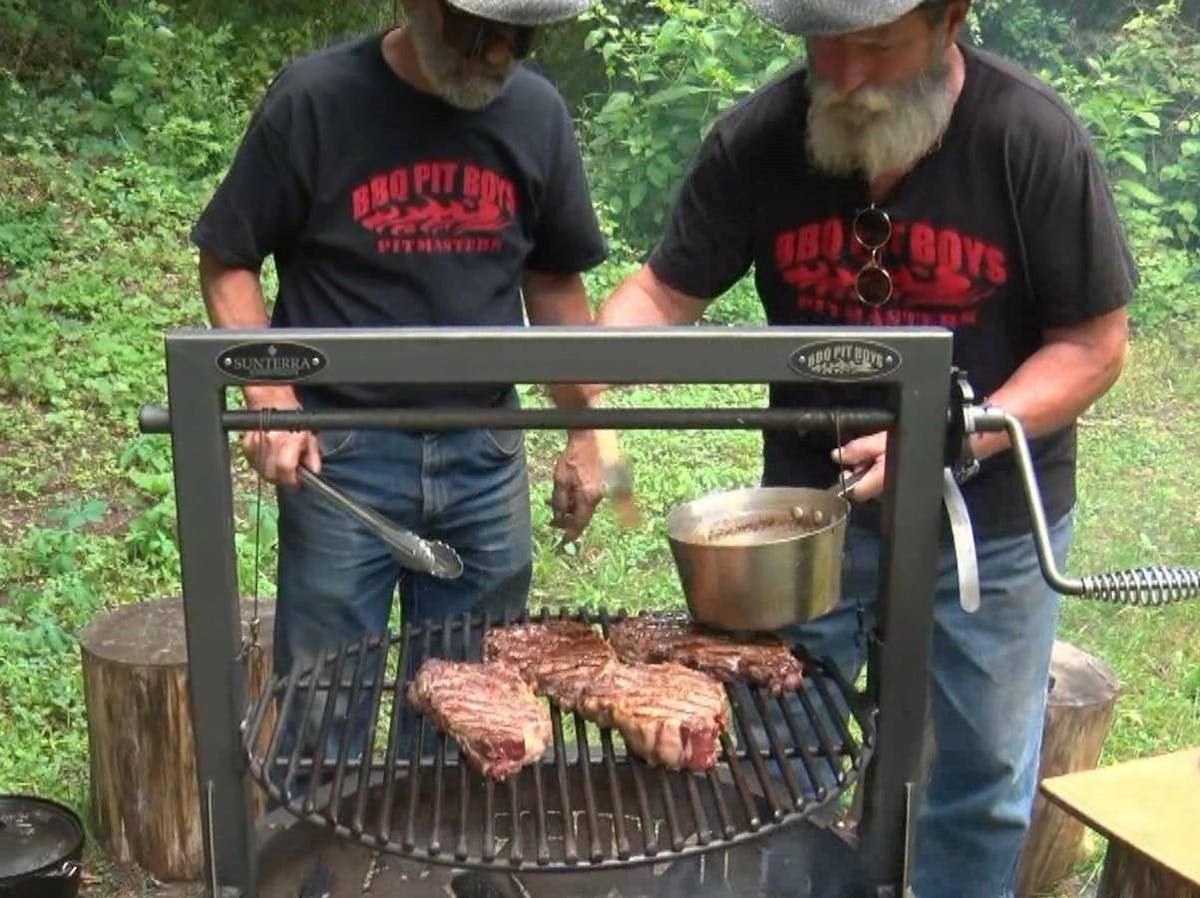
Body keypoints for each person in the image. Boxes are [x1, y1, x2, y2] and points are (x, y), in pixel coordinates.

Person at [589, 2, 1133, 896]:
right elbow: (661, 291)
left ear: (950, 18)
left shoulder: (1028, 138)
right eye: (823, 44)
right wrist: (592, 368)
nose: (841, 74)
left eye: (874, 45)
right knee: (779, 757)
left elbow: (1093, 345)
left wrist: (958, 434)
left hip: (982, 524)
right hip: (810, 524)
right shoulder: (761, 139)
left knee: (982, 779)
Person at [191, 0, 610, 760]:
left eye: (520, 34)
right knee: (323, 706)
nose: (499, 53)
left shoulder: (536, 112)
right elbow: (228, 258)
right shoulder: (316, 100)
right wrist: (270, 398)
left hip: (486, 445)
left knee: (471, 710)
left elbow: (554, 286)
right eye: (477, 30)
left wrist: (588, 430)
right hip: (343, 454)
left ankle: (435, 866)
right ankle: (321, 866)